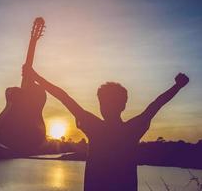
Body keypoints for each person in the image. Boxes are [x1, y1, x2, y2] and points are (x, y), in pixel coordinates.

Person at [22, 65, 189, 191]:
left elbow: (64, 98)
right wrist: (177, 86)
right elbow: (156, 105)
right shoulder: (132, 129)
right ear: (123, 105)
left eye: (105, 102)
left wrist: (36, 77)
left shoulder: (95, 127)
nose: (105, 106)